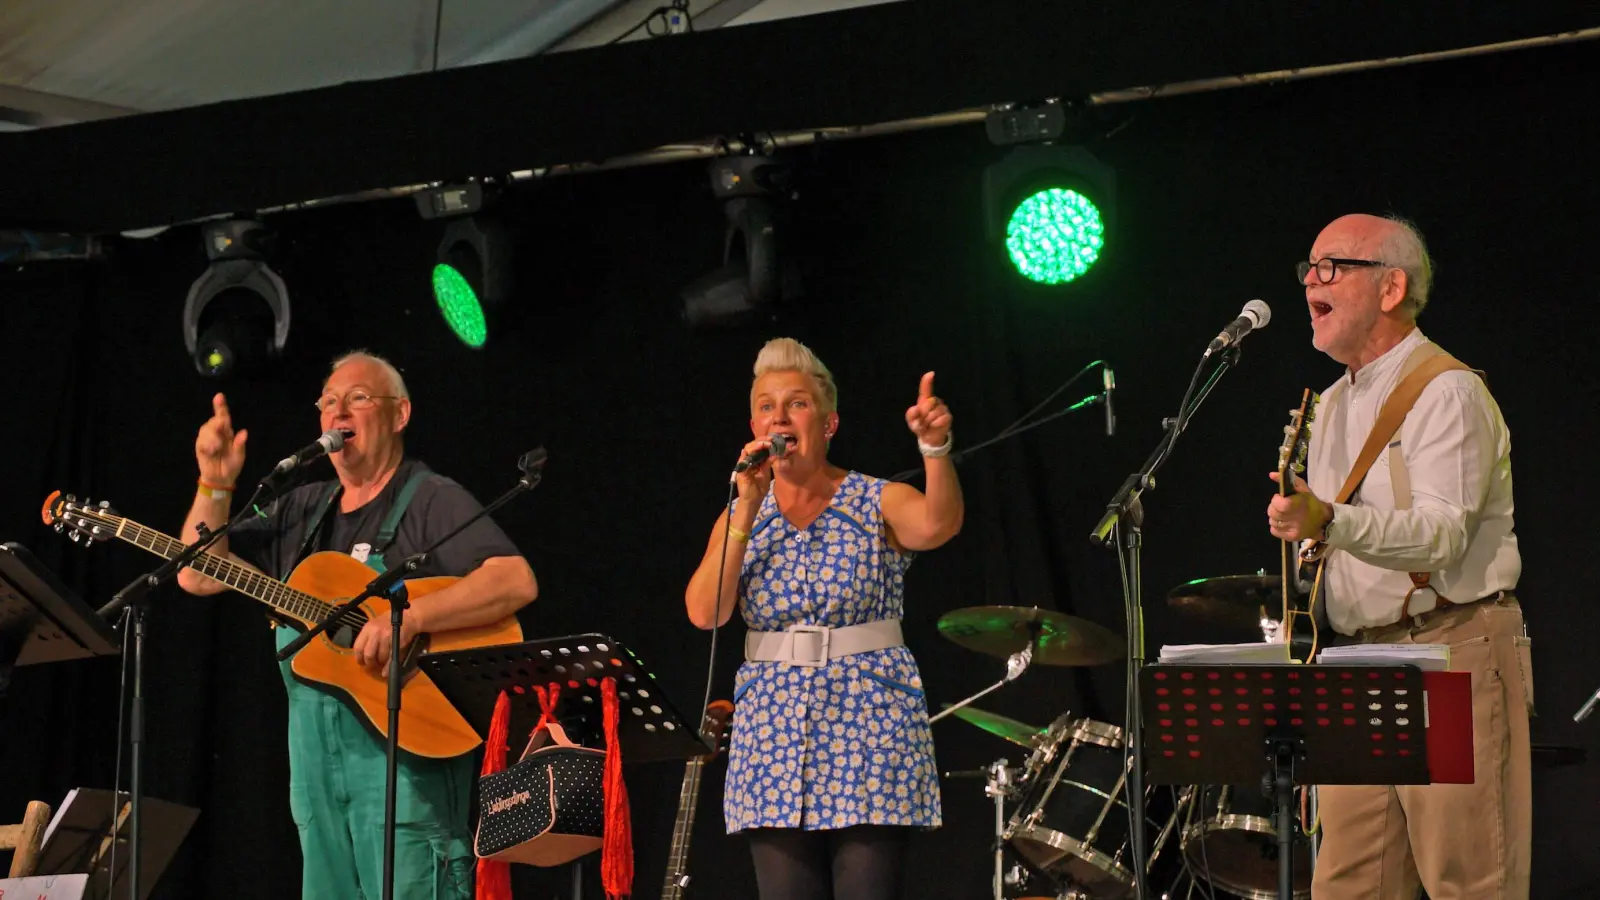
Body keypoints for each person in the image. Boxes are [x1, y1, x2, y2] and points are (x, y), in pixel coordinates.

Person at [175, 350, 538, 900]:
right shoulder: (302, 510)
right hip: (317, 773)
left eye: (358, 398)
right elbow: (199, 574)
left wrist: (411, 618)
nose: (337, 411)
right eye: (327, 402)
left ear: (400, 415)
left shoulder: (430, 499)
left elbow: (515, 581)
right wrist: (215, 483)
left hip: (408, 764)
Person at [1266, 214, 1532, 899]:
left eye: (1332, 267)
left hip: (1447, 649)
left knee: (1467, 879)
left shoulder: (1447, 391)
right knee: (1350, 885)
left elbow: (1442, 534)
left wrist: (1328, 518)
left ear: (1391, 289)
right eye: (1308, 269)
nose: (1309, 284)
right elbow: (1332, 548)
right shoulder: (1324, 406)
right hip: (1358, 664)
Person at [684, 337, 963, 900]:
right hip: (771, 730)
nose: (779, 417)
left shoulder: (874, 498)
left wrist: (935, 449)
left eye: (797, 403)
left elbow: (937, 524)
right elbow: (704, 612)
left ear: (829, 423)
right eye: (766, 405)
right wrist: (744, 508)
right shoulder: (741, 511)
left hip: (868, 718)